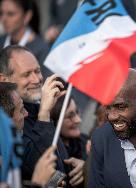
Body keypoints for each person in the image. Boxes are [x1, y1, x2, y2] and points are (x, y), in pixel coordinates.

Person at [0, 45, 84, 187]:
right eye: (26, 74)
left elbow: (64, 158)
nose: (37, 79)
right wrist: (44, 115)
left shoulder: (40, 106)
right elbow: (48, 177)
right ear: (4, 80)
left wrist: (84, 165)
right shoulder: (8, 122)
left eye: (37, 71)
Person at [0, 82, 58, 187]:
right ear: (6, 120)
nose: (26, 113)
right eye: (21, 109)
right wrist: (37, 183)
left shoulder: (14, 150)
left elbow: (57, 181)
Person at [0, 0, 51, 78]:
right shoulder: (2, 41)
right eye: (1, 13)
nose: (4, 19)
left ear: (27, 16)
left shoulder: (41, 50)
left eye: (10, 14)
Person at [51, 95, 88, 161]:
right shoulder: (51, 153)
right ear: (54, 121)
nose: (78, 120)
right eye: (70, 116)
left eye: (77, 112)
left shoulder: (88, 143)